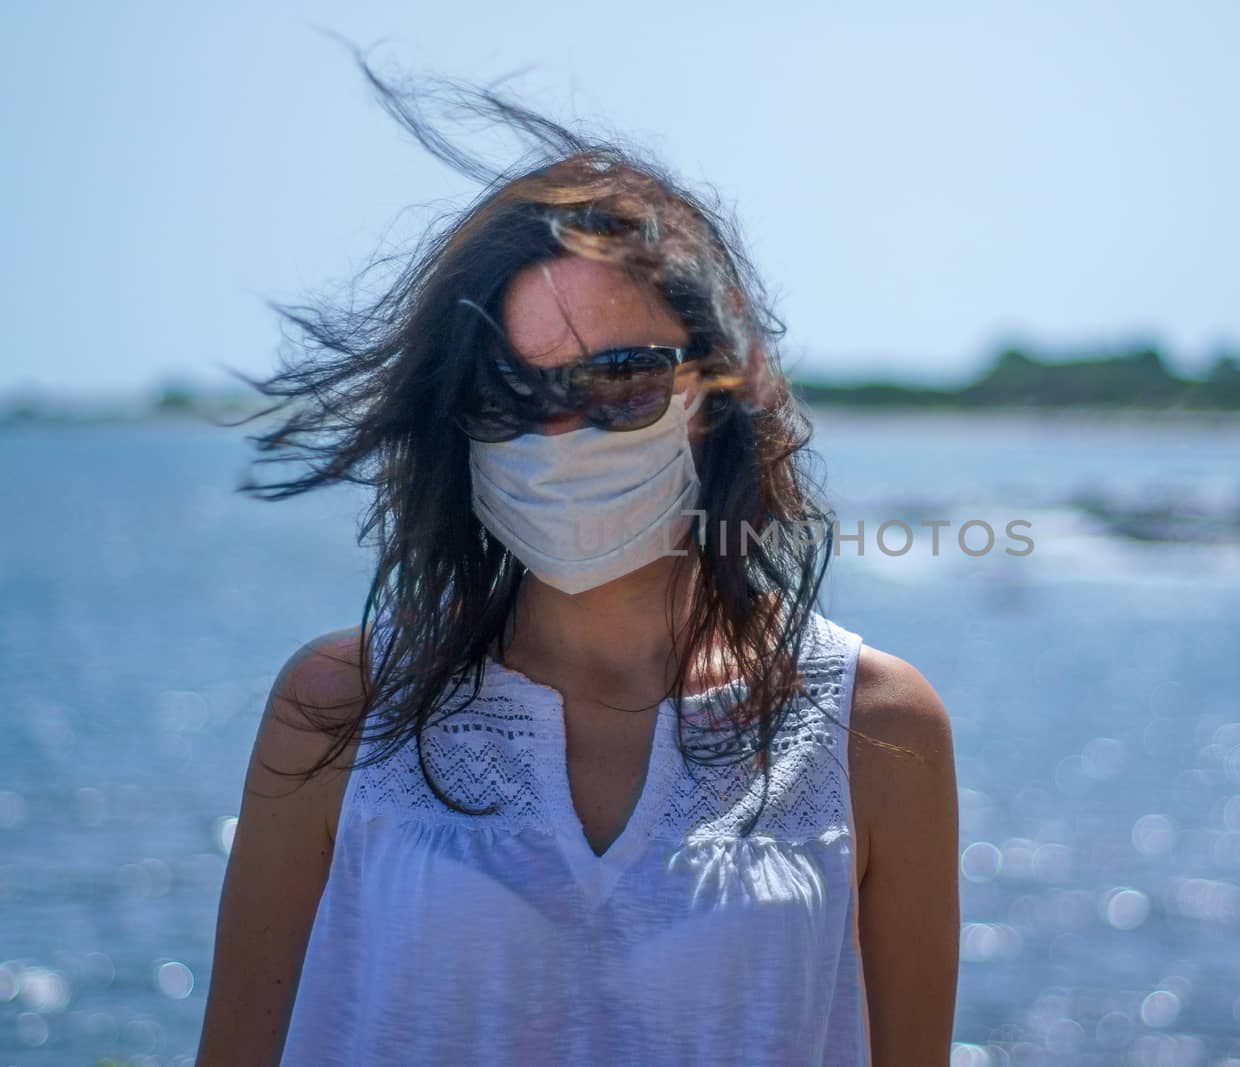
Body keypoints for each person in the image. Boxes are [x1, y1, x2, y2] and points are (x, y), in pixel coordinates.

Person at [195, 49, 960, 1067]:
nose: (560, 434)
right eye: (510, 393)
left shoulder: (875, 727)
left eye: (621, 378)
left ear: (716, 388)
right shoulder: (338, 707)